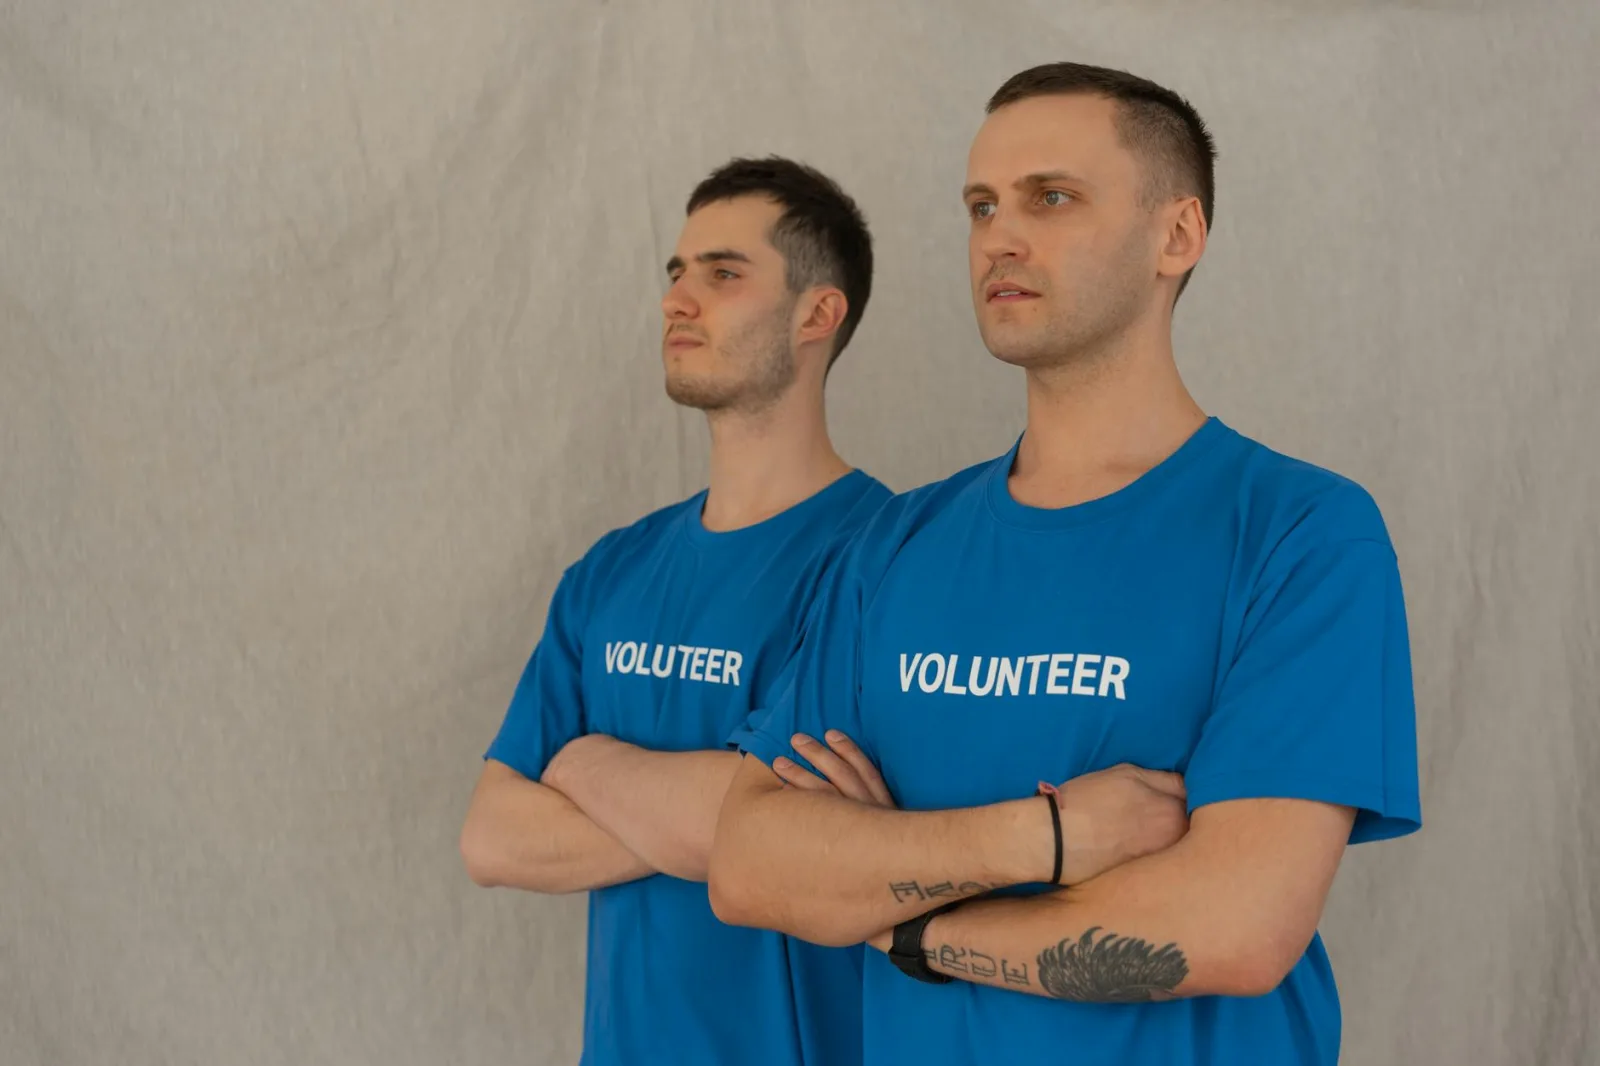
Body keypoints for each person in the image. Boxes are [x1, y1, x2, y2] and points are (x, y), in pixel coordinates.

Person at [708, 62, 1422, 1066]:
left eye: (1051, 198)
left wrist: (901, 921)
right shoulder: (891, 544)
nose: (999, 235)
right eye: (980, 206)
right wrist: (1042, 839)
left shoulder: (1301, 532)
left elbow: (1232, 925)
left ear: (1176, 236)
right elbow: (749, 862)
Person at [458, 157, 893, 1066]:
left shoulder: (887, 559)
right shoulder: (611, 571)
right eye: (676, 273)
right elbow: (493, 836)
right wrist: (728, 813)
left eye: (723, 274)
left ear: (818, 313)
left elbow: (804, 844)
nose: (678, 300)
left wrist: (584, 762)